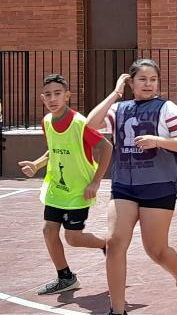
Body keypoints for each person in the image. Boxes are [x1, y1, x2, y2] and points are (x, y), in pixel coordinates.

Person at [86, 59, 177, 315]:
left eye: (153, 79)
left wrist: (159, 140)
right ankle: (118, 309)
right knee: (114, 243)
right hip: (124, 185)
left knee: (155, 250)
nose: (148, 84)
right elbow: (90, 124)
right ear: (131, 83)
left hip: (158, 185)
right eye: (142, 79)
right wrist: (114, 93)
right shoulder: (119, 109)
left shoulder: (167, 108)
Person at [18, 74, 111, 295]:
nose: (52, 98)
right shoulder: (47, 122)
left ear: (67, 95)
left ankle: (107, 244)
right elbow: (54, 149)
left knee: (73, 238)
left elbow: (107, 147)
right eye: (48, 95)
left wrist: (96, 182)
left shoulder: (80, 123)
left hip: (79, 191)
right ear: (42, 98)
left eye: (57, 94)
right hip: (56, 189)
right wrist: (37, 164)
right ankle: (65, 277)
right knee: (48, 231)